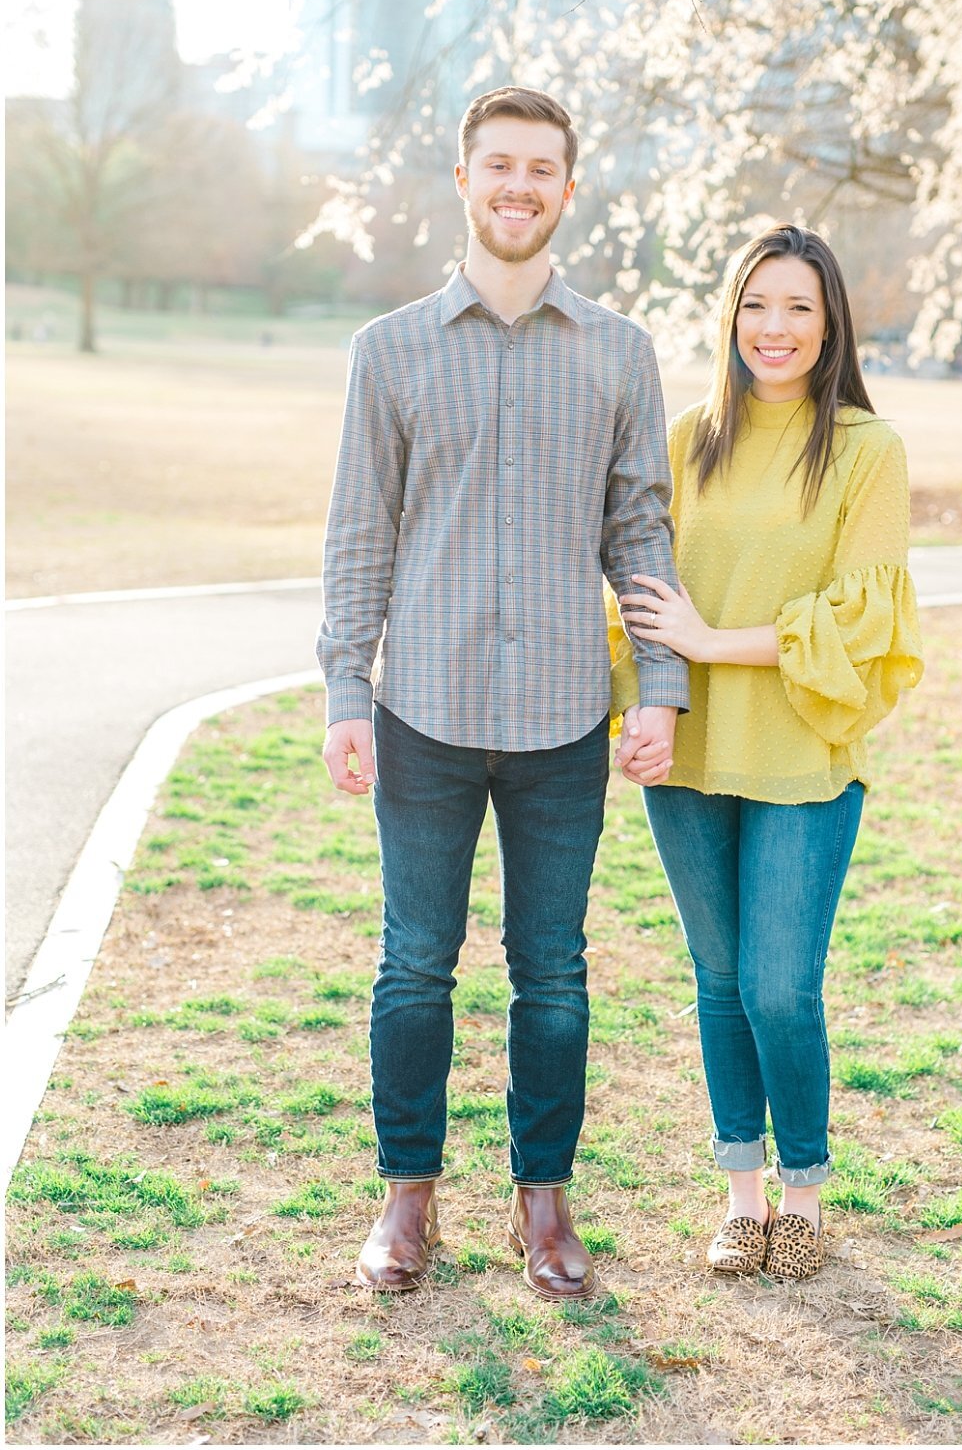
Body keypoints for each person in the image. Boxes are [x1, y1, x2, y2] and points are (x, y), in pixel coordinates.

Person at [316, 86, 689, 1298]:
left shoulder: (621, 350)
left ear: (567, 191)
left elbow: (641, 530)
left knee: (555, 971)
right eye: (499, 167)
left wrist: (660, 689)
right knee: (414, 963)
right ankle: (407, 1200)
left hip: (563, 719)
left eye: (542, 169)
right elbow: (359, 531)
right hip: (421, 708)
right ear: (465, 180)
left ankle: (544, 1202)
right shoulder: (391, 350)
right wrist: (345, 689)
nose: (519, 187)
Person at [611, 223, 923, 1281]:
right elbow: (642, 594)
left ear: (830, 321)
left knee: (780, 985)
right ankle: (741, 1192)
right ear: (729, 314)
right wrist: (641, 701)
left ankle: (805, 1188)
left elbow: (859, 617)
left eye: (797, 306)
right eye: (756, 304)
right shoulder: (689, 436)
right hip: (691, 753)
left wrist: (711, 642)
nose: (774, 327)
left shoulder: (865, 450)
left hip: (802, 753)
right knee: (719, 975)